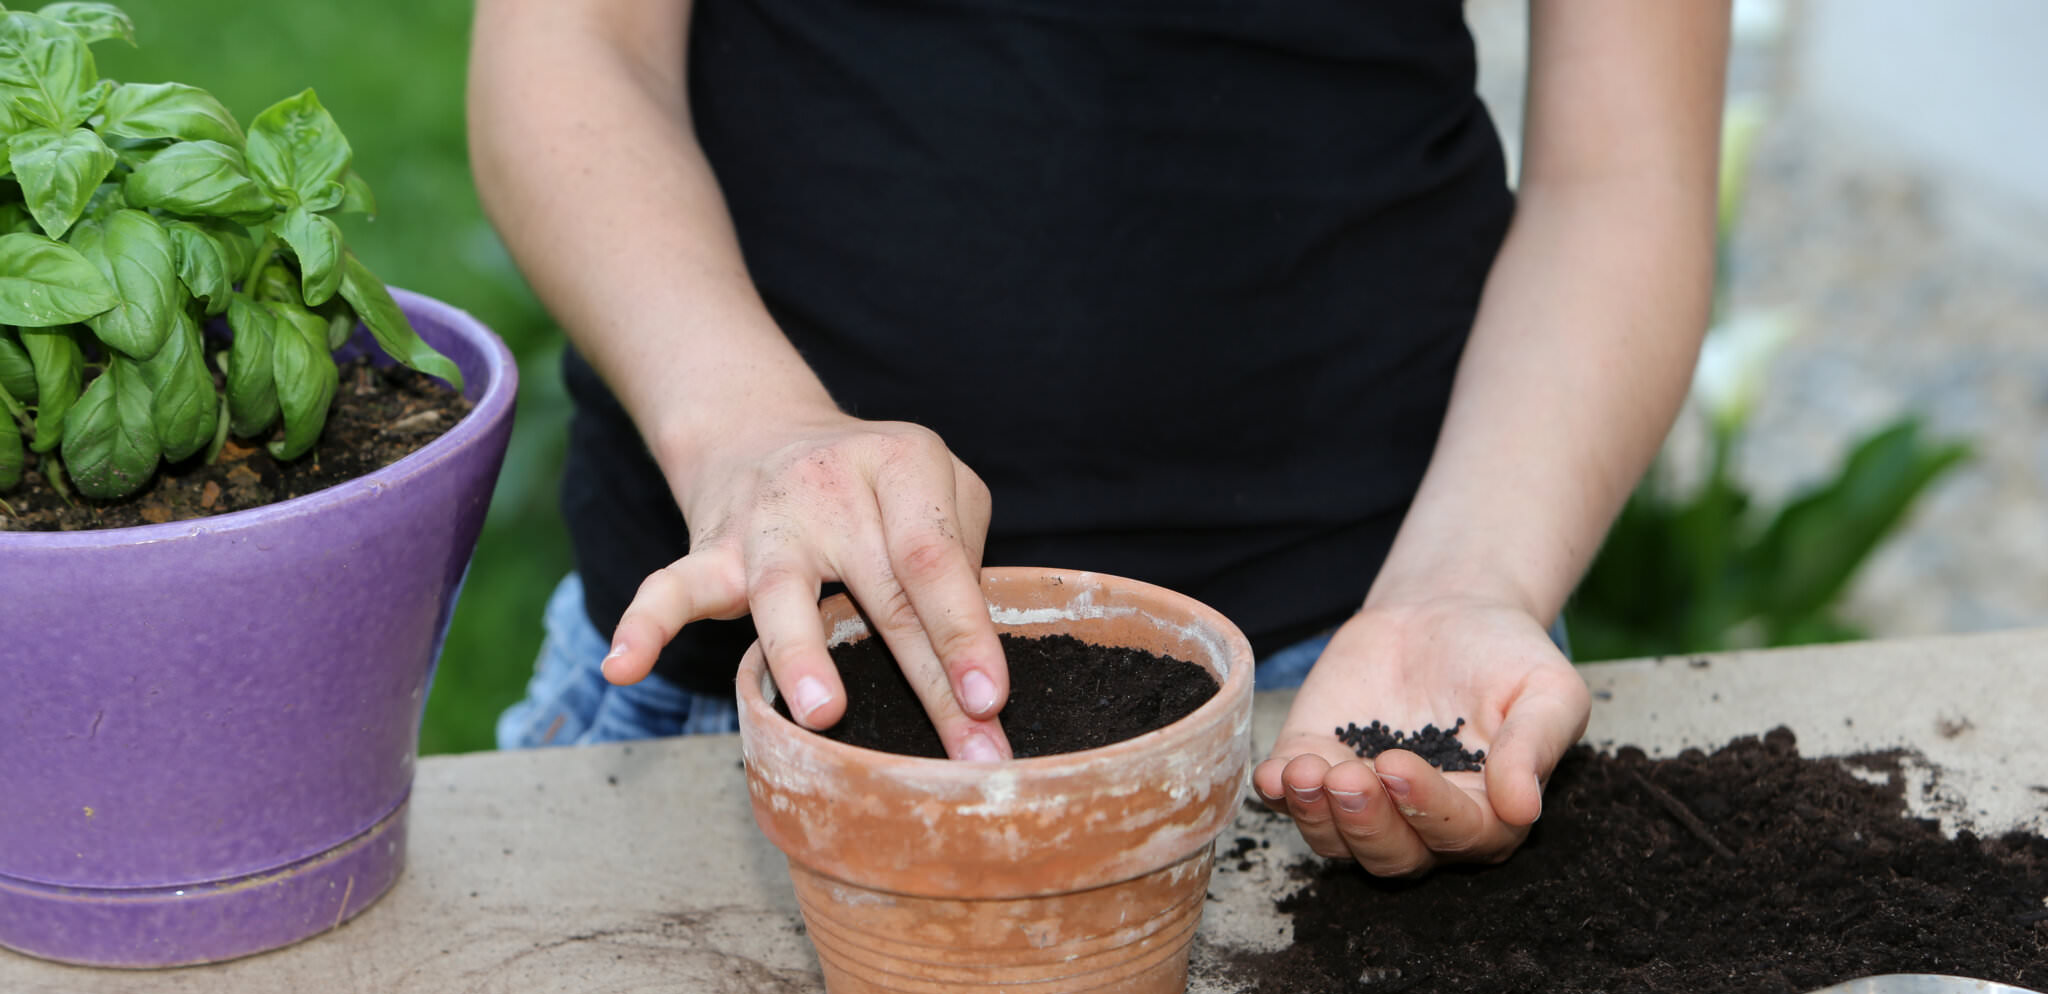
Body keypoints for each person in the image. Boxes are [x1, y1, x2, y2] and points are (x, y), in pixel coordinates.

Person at [468, 0, 1730, 878]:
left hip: (1358, 691)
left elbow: (1619, 170)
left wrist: (1471, 582)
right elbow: (574, 44)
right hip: (752, 684)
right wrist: (752, 433)